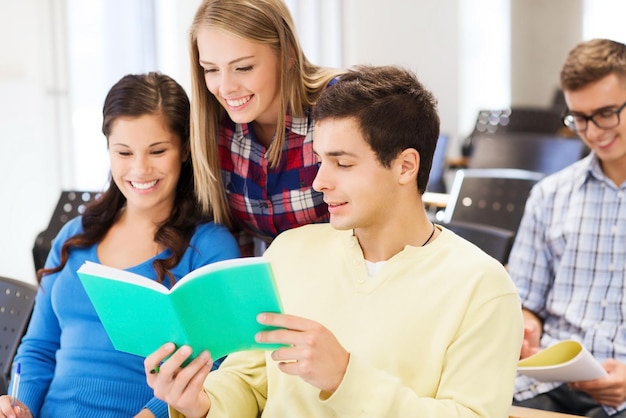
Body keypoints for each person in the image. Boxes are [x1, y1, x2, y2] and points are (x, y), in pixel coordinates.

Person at [144, 65, 524, 417]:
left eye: (343, 164)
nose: (319, 182)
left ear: (405, 166)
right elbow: (248, 382)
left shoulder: (483, 288)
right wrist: (202, 401)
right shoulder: (289, 252)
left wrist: (345, 376)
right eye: (320, 160)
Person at [0, 72, 240, 418]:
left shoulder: (209, 247)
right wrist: (19, 406)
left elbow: (217, 364)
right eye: (124, 152)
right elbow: (38, 349)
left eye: (157, 151)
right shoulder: (73, 236)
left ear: (184, 149)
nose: (140, 169)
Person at [510, 38, 626, 417]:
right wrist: (526, 327)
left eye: (606, 113)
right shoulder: (550, 194)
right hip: (552, 378)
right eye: (579, 117)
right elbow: (527, 301)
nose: (592, 132)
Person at [187, 0, 345, 255]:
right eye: (211, 69)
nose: (225, 88)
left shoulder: (342, 108)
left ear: (288, 54)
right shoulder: (214, 126)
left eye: (243, 67)